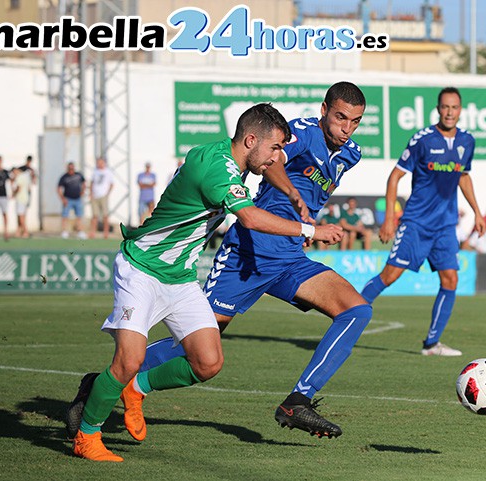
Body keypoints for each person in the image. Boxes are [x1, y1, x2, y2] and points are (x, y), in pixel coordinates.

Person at [64, 103, 343, 462]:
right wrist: (311, 231)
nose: (278, 159)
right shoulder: (218, 168)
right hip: (142, 270)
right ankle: (87, 436)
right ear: (251, 139)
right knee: (128, 359)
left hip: (179, 278)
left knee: (208, 362)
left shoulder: (229, 160)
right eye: (274, 149)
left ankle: (136, 389)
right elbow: (251, 219)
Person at [131, 82, 370, 440]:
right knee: (196, 344)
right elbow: (271, 162)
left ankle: (298, 400)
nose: (346, 128)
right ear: (324, 110)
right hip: (250, 251)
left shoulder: (351, 154)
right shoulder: (302, 134)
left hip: (290, 257)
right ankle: (109, 381)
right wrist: (291, 192)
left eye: (355, 121)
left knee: (356, 310)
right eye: (340, 118)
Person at [361, 87, 485, 357]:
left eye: (454, 107)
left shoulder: (467, 141)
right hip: (416, 223)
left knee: (450, 279)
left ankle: (431, 344)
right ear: (438, 109)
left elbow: (463, 176)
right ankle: (346, 316)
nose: (449, 112)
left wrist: (477, 211)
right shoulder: (423, 140)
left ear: (460, 110)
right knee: (390, 276)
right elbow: (395, 176)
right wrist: (390, 220)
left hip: (445, 225)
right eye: (445, 107)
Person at [58, 162, 87, 239]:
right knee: (65, 215)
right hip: (68, 199)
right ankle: (64, 231)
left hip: (77, 199)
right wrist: (63, 198)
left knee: (79, 216)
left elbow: (84, 183)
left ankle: (80, 231)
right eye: (69, 168)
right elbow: (59, 188)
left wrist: (82, 192)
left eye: (72, 168)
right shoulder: (64, 177)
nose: (71, 170)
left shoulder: (79, 175)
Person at [88, 157, 114, 239]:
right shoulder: (95, 172)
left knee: (105, 215)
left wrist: (107, 193)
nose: (99, 164)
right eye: (98, 162)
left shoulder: (108, 172)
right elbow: (92, 183)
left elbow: (111, 184)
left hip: (103, 196)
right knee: (94, 215)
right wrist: (91, 193)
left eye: (100, 162)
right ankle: (93, 232)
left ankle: (105, 233)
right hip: (95, 196)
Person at [12, 166, 32, 238]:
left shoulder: (19, 177)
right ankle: (19, 231)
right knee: (21, 216)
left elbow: (19, 188)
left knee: (21, 217)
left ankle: (26, 232)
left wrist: (13, 194)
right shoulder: (26, 177)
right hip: (26, 198)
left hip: (20, 199)